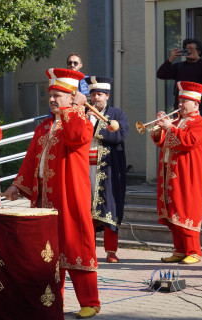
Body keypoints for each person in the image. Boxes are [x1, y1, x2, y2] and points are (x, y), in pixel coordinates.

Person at [6, 68, 100, 319]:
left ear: (71, 98)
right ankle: (49, 300)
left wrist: (74, 111)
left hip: (70, 196)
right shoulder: (44, 127)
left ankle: (90, 300)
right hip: (43, 199)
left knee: (75, 244)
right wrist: (17, 185)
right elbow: (30, 160)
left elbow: (77, 138)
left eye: (59, 95)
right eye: (51, 95)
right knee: (45, 251)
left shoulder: (82, 121)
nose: (52, 99)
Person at [151, 81, 202, 264]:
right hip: (169, 172)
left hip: (187, 175)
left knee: (186, 209)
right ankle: (179, 249)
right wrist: (158, 128)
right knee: (172, 210)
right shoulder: (176, 121)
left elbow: (189, 141)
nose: (180, 104)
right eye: (179, 100)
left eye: (184, 100)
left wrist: (169, 127)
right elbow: (161, 142)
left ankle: (194, 251)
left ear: (195, 103)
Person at [84, 76, 129, 263]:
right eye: (93, 94)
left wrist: (94, 126)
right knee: (86, 211)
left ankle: (111, 251)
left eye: (99, 94)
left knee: (110, 208)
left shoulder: (117, 114)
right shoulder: (83, 113)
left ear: (107, 96)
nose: (95, 98)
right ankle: (88, 251)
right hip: (85, 168)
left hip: (109, 170)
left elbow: (119, 135)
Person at [156, 38, 202, 119]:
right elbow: (161, 74)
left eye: (192, 49)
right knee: (178, 132)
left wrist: (198, 58)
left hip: (198, 110)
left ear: (199, 51)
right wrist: (171, 59)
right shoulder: (179, 67)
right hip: (180, 110)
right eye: (187, 49)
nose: (189, 51)